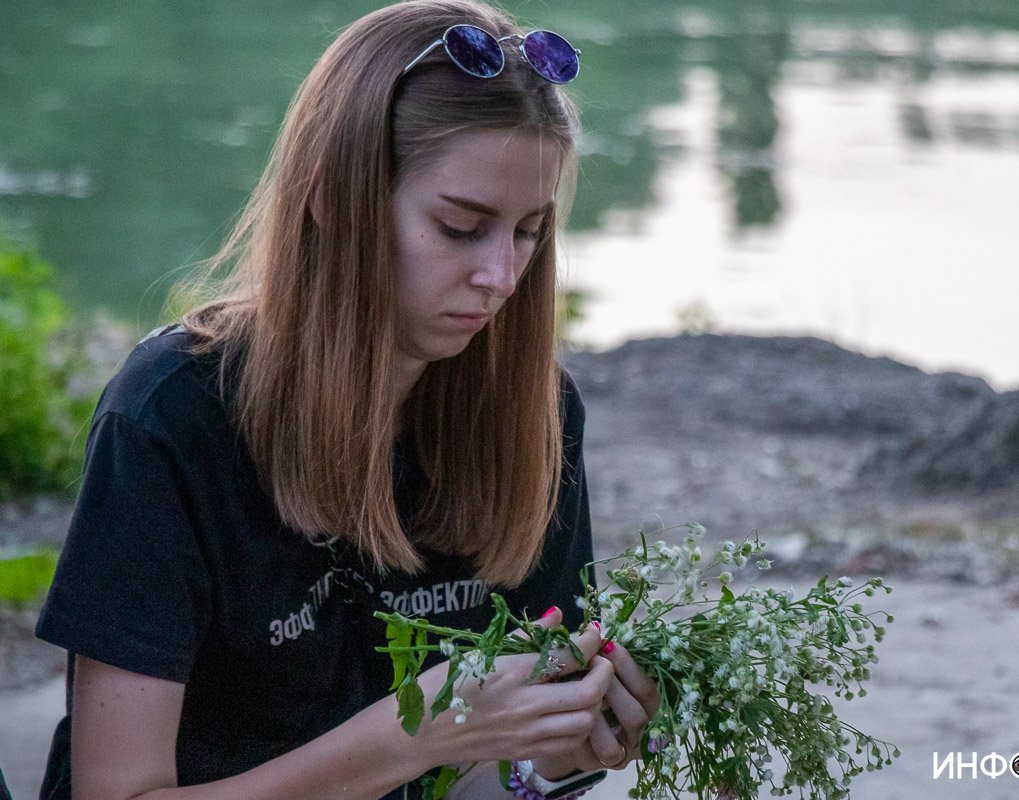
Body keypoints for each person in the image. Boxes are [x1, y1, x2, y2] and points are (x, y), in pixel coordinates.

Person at [34, 2, 660, 798]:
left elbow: (491, 775)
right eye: (460, 228)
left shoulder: (534, 414)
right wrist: (413, 734)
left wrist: (556, 754)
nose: (502, 278)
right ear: (332, 199)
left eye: (529, 231)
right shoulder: (171, 417)